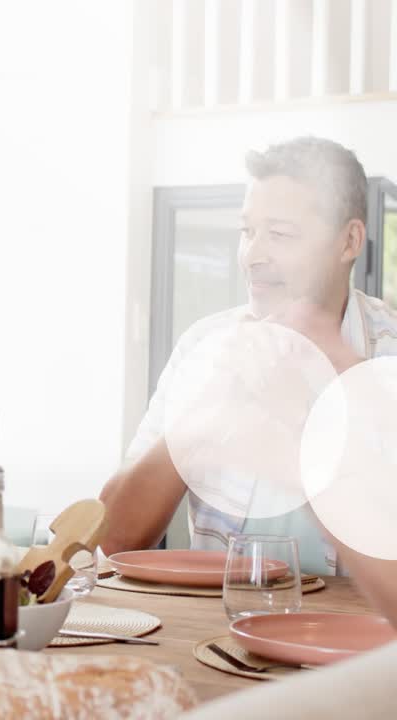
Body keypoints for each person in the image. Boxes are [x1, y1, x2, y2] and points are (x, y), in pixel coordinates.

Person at [100, 136, 397, 578]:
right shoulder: (204, 348)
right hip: (215, 635)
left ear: (349, 241)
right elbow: (111, 540)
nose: (254, 255)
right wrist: (201, 417)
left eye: (279, 234)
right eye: (248, 232)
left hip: (365, 640)